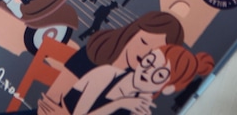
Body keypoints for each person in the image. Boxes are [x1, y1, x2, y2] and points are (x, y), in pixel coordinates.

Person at [37, 12, 185, 115]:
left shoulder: (143, 84)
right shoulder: (95, 53)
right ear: (132, 32)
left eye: (153, 53)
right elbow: (48, 105)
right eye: (143, 42)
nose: (143, 54)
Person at [59, 42, 215, 115]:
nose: (146, 72)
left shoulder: (141, 109)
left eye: (159, 75)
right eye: (149, 61)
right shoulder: (106, 74)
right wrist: (119, 103)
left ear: (168, 88)